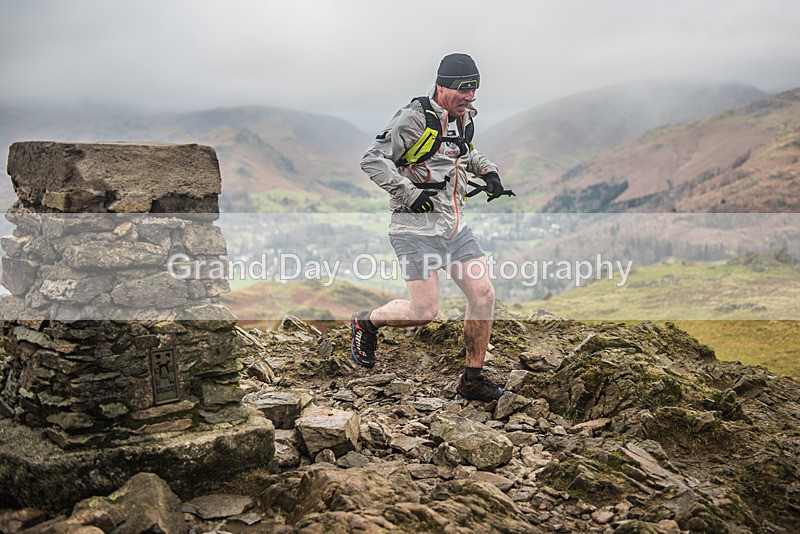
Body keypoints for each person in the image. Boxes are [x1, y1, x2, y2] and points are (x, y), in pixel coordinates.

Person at [351, 53, 507, 402]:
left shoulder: (463, 118)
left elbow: (465, 153)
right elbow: (371, 159)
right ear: (442, 86)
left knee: (483, 294)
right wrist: (409, 193)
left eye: (474, 91)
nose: (470, 98)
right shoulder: (412, 119)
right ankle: (367, 322)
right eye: (464, 91)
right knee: (424, 312)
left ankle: (472, 379)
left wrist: (490, 172)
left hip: (453, 225)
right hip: (414, 227)